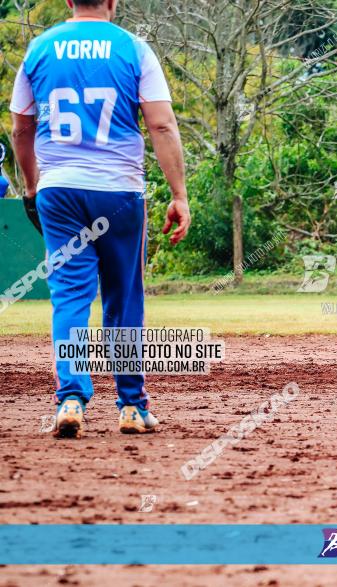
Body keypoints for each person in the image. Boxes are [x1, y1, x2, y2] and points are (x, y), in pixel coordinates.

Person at [10, 0, 190, 438]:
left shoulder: (38, 48)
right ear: (112, 2)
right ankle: (131, 406)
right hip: (119, 190)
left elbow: (21, 129)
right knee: (123, 298)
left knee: (69, 295)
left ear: (69, 1)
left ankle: (71, 399)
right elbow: (162, 126)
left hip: (60, 188)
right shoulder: (134, 48)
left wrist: (33, 186)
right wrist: (179, 194)